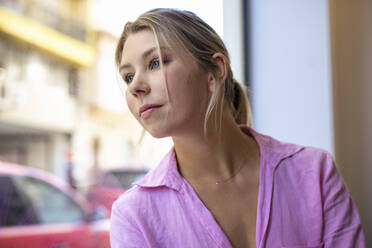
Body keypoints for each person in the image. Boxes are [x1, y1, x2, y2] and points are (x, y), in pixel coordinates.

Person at [110, 8, 366, 248]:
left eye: (155, 63)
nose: (135, 87)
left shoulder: (314, 172)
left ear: (215, 72)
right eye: (128, 76)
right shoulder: (134, 215)